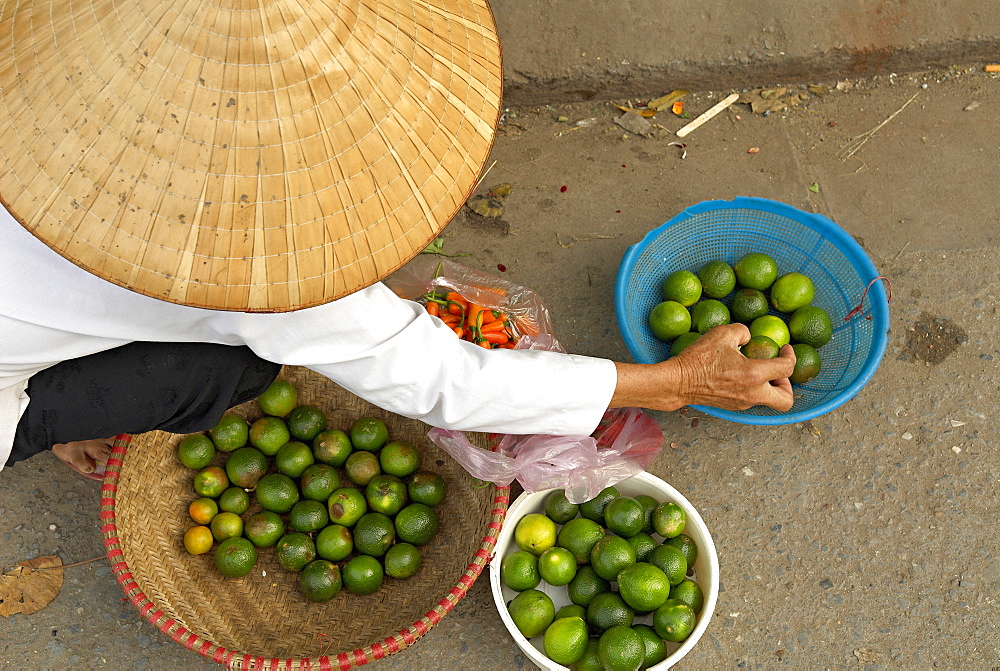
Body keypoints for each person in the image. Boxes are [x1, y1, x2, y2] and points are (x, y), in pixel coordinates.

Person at [0, 0, 794, 479]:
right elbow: (446, 381)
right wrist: (676, 382)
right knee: (233, 367)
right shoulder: (261, 273)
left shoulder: (31, 59)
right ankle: (39, 414)